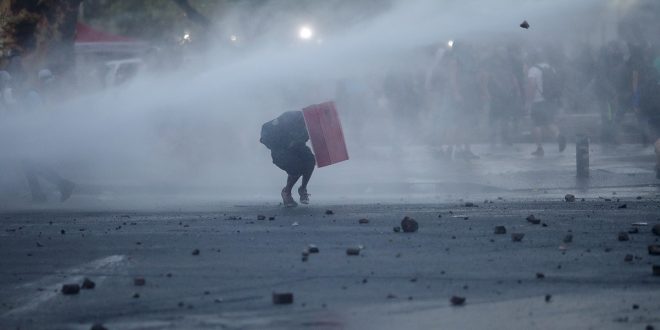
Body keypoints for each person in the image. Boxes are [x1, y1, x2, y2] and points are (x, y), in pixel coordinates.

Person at [260, 111, 315, 207]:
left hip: (297, 148)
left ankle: (303, 188)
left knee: (310, 159)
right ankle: (286, 192)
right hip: (281, 151)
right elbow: (265, 133)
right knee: (296, 167)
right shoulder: (287, 119)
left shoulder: (309, 124)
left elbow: (304, 138)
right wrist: (283, 144)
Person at [525, 51, 567, 157]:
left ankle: (539, 148)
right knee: (548, 122)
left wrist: (528, 102)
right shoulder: (550, 68)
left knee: (536, 124)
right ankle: (559, 136)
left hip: (538, 101)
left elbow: (532, 86)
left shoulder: (533, 70)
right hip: (550, 100)